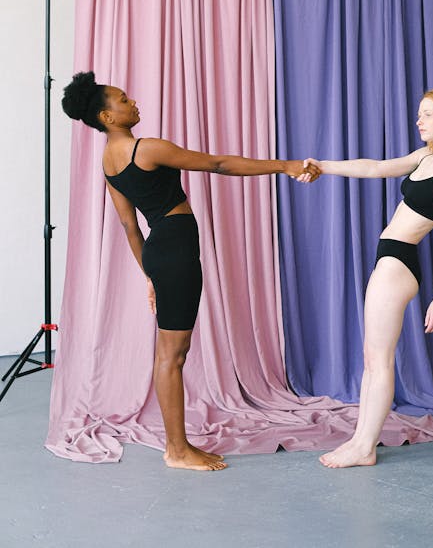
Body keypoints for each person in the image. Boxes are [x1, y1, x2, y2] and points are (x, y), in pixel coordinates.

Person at [62, 71, 319, 472]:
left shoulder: (108, 164)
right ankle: (177, 450)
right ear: (107, 117)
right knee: (173, 355)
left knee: (172, 353)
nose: (132, 102)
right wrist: (284, 165)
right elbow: (217, 163)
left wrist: (150, 275)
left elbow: (131, 227)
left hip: (161, 254)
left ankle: (177, 446)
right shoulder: (146, 149)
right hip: (176, 251)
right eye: (123, 99)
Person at [301, 87, 433, 468]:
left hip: (399, 262)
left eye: (428, 114)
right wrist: (323, 166)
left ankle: (364, 448)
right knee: (372, 358)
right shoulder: (425, 157)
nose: (419, 120)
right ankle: (361, 440)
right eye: (419, 114)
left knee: (379, 360)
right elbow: (374, 167)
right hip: (389, 259)